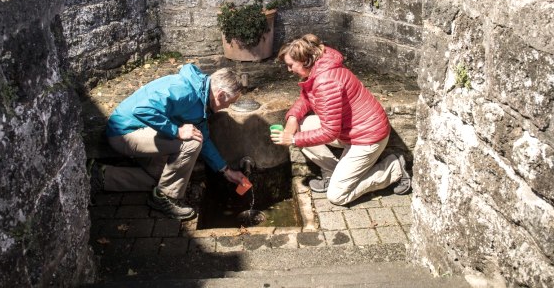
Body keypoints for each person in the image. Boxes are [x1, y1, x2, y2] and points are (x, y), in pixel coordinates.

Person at [89, 64, 246, 220]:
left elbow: (204, 138)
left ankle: (102, 176)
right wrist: (177, 131)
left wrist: (225, 170)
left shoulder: (202, 99)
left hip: (146, 133)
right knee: (191, 142)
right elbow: (142, 109)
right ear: (219, 95)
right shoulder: (184, 92)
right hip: (124, 133)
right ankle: (165, 199)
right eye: (230, 102)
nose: (228, 107)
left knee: (165, 178)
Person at [270, 34, 411, 206]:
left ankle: (393, 169)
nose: (289, 70)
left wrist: (292, 139)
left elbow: (330, 132)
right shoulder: (320, 67)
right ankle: (334, 173)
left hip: (367, 137)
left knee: (337, 196)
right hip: (350, 130)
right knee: (302, 125)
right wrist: (293, 117)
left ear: (305, 60)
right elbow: (307, 98)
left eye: (291, 65)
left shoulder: (326, 82)